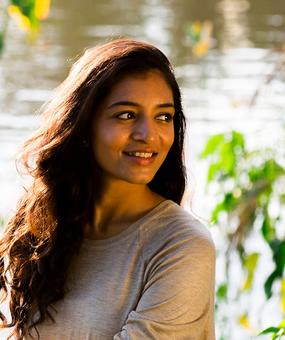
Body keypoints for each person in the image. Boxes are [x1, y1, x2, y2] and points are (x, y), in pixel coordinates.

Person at [0, 39, 216, 340]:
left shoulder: (182, 246)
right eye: (127, 115)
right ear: (85, 124)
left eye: (163, 116)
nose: (148, 135)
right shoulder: (39, 228)